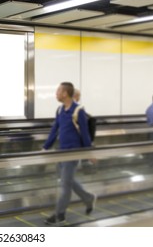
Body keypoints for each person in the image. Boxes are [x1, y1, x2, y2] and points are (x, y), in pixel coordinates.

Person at [42, 82, 96, 225]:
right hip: (61, 152)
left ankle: (59, 214)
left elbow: (85, 134)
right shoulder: (60, 110)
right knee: (68, 181)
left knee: (65, 186)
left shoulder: (78, 111)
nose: (56, 93)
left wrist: (89, 153)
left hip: (73, 154)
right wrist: (45, 148)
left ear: (65, 93)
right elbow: (55, 130)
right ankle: (88, 198)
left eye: (58, 90)